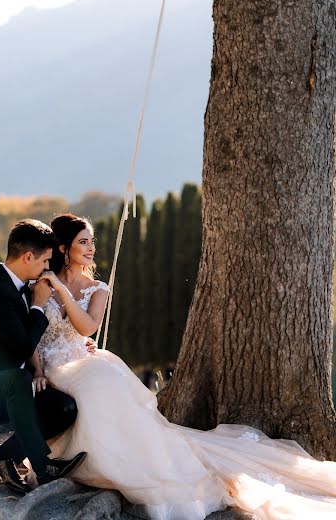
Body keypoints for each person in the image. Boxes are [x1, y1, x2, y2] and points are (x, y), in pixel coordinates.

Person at [32, 213, 336, 519]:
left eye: (92, 241)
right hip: (51, 368)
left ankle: (134, 464)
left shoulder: (95, 288)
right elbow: (29, 332)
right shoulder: (39, 283)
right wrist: (37, 369)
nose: (91, 248)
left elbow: (86, 328)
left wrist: (62, 291)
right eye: (83, 242)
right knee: (97, 386)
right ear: (62, 248)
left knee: (104, 383)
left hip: (81, 361)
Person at [0, 219, 87, 493]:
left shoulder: (23, 284)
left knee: (65, 408)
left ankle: (3, 459)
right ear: (28, 257)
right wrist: (37, 305)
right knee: (18, 379)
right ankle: (44, 467)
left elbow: (33, 341)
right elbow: (22, 347)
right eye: (45, 261)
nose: (47, 268)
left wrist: (81, 343)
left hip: (15, 384)